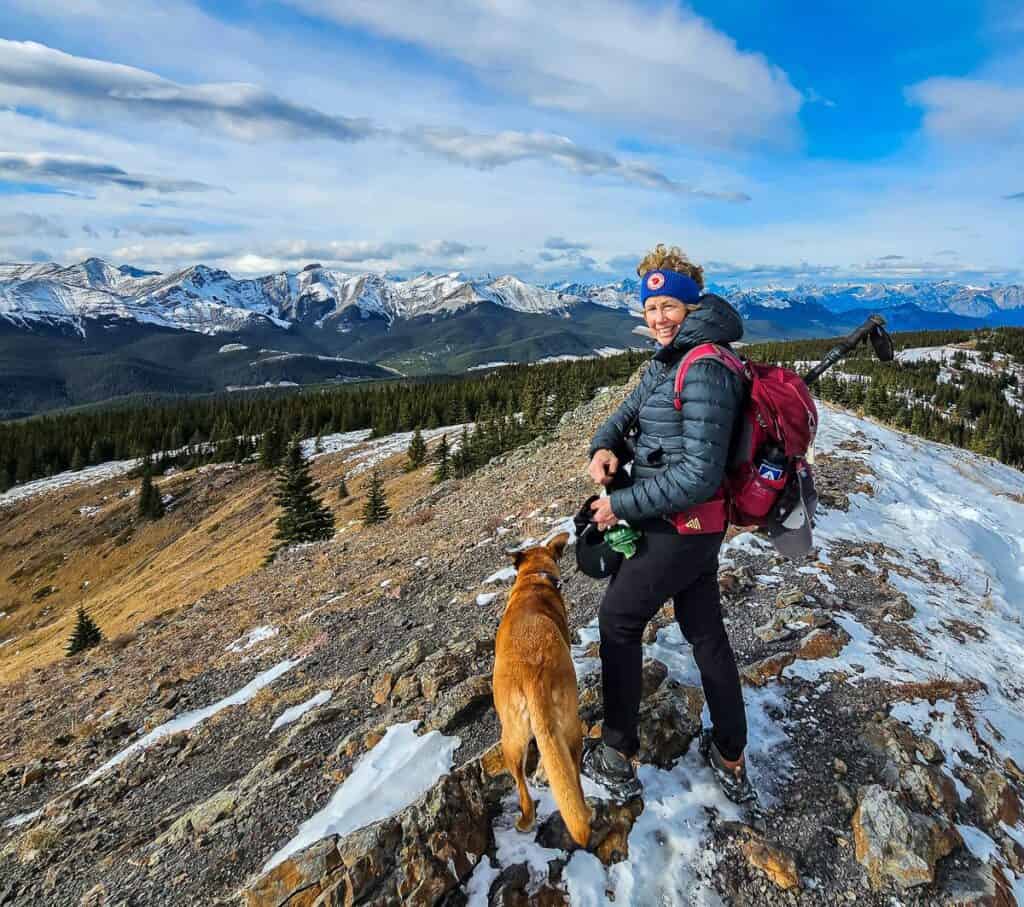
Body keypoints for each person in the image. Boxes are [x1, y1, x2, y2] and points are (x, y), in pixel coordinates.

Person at [581, 243, 754, 804]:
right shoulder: (668, 359)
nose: (658, 318)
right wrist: (604, 446)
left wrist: (622, 506)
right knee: (704, 631)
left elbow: (700, 474)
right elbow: (622, 416)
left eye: (669, 307)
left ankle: (616, 753)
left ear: (691, 305)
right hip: (689, 529)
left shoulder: (704, 367)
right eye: (650, 308)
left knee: (618, 619)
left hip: (680, 526)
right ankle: (730, 753)